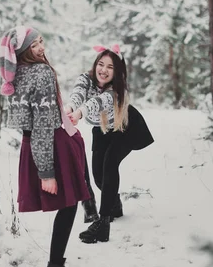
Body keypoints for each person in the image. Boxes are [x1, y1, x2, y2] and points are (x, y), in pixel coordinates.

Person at [0, 25, 90, 267]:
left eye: (41, 41)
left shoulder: (16, 75)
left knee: (70, 204)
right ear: (22, 51)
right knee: (69, 204)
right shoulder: (41, 73)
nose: (41, 48)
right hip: (50, 144)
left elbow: (33, 118)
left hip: (37, 145)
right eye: (34, 45)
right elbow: (40, 124)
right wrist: (46, 172)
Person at [65, 44, 154, 244]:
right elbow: (78, 94)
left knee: (110, 164)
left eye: (110, 67)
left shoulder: (115, 90)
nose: (103, 70)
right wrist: (70, 108)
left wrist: (79, 113)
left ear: (117, 72)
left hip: (126, 127)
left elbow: (98, 102)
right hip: (102, 129)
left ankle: (102, 224)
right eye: (101, 64)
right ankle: (114, 205)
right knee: (98, 176)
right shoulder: (86, 79)